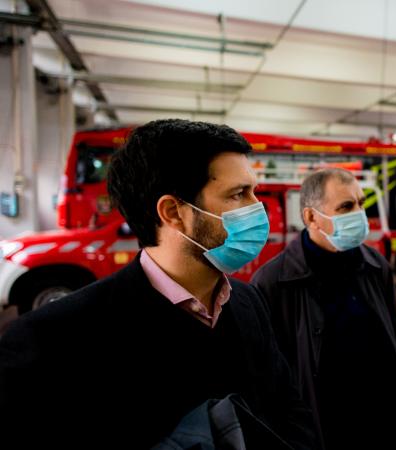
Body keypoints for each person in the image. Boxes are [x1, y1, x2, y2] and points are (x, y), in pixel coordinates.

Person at [0, 119, 318, 449]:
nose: (260, 208)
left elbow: (289, 412)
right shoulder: (55, 340)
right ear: (173, 212)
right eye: (239, 194)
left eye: (254, 191)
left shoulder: (248, 300)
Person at [251, 168, 396, 450]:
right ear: (311, 217)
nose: (359, 214)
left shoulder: (376, 266)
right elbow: (270, 377)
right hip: (325, 430)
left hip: (386, 423)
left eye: (361, 204)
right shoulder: (273, 283)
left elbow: (395, 336)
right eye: (346, 206)